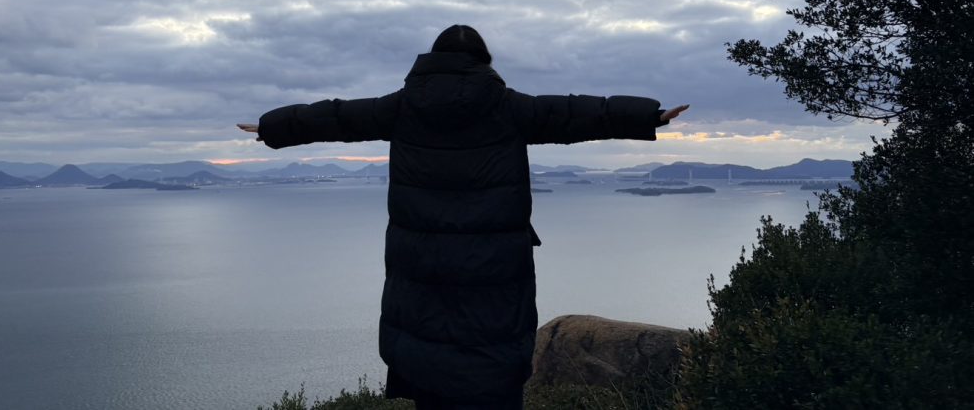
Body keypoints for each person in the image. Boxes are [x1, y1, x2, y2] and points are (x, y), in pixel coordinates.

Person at [238, 25, 688, 409]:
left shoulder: (401, 107)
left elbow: (335, 117)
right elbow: (576, 113)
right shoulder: (509, 107)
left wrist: (274, 127)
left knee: (430, 366)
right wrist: (646, 115)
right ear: (483, 61)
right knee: (491, 369)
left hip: (421, 264)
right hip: (492, 265)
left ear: (432, 60)